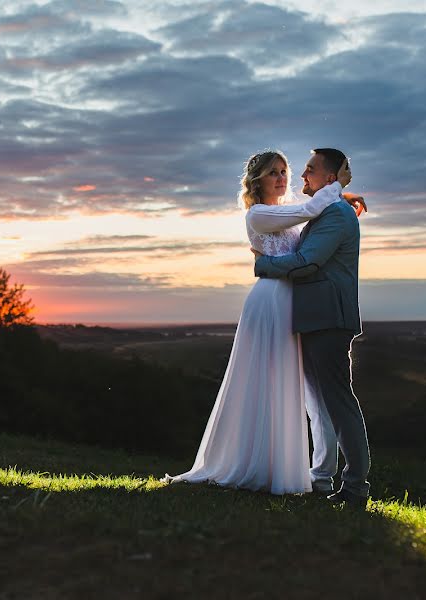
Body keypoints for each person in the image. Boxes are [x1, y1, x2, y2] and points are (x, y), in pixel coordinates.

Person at [162, 149, 357, 494]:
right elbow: (310, 209)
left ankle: (312, 472)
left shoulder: (282, 213)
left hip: (293, 303)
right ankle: (251, 462)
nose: (283, 178)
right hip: (269, 301)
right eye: (273, 173)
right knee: (263, 382)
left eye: (285, 171)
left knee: (305, 391)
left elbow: (311, 213)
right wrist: (337, 186)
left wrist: (339, 198)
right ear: (257, 180)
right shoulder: (260, 215)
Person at [253, 148, 371, 509]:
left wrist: (263, 267)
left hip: (328, 320)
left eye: (310, 170)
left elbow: (307, 262)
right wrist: (343, 192)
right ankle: (327, 478)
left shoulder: (335, 215)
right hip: (313, 318)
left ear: (329, 178)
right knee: (322, 402)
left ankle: (354, 488)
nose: (302, 176)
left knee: (337, 401)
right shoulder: (332, 209)